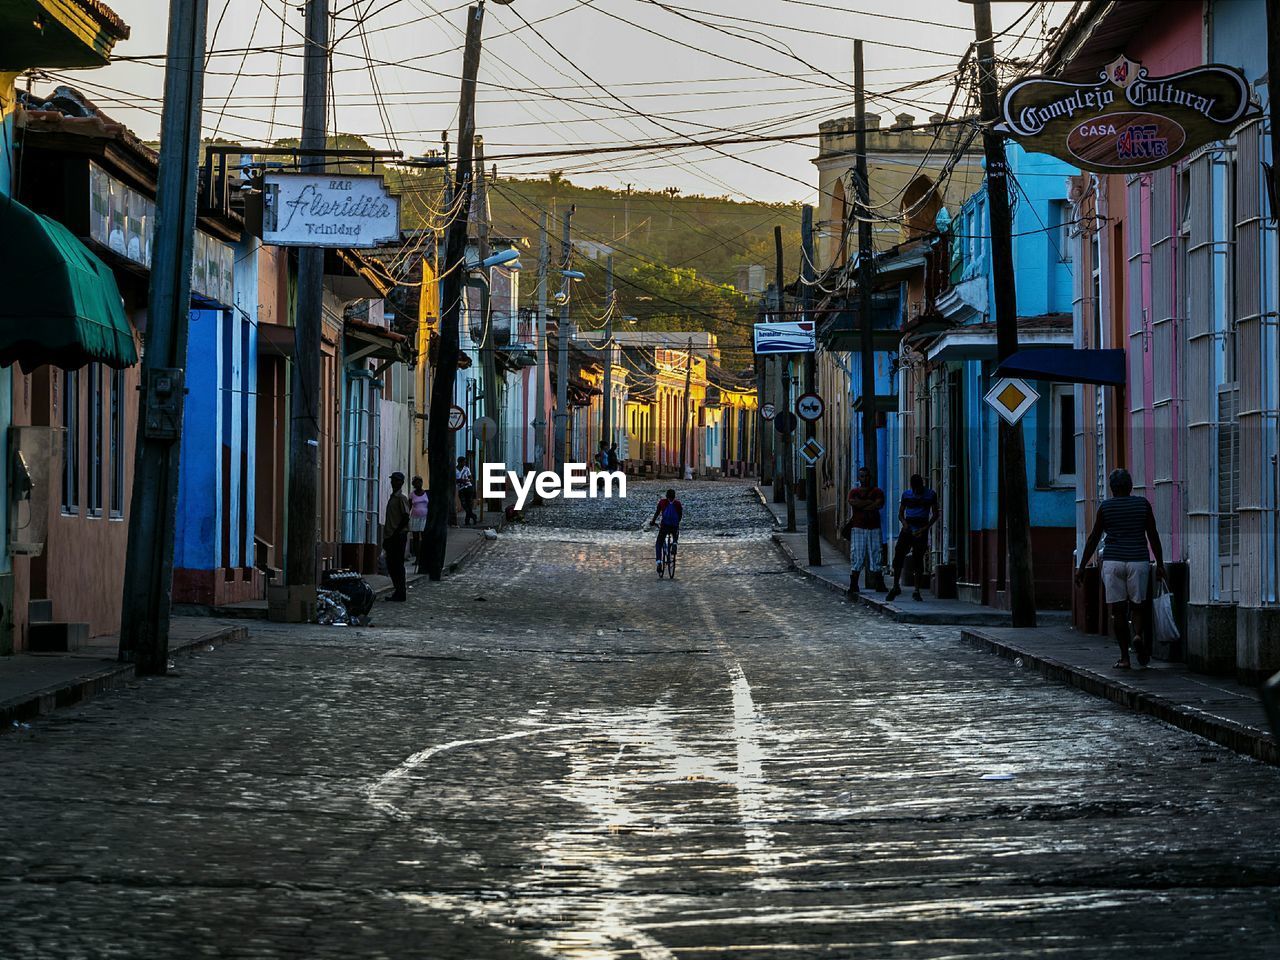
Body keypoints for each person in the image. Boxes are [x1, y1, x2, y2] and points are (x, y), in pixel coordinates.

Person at [1075, 468, 1167, 669]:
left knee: (1117, 611)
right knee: (1138, 606)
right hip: (1138, 561)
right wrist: (1160, 564)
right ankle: (1137, 635)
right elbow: (1153, 535)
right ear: (1130, 486)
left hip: (1113, 561)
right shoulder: (1142, 505)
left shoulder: (1106, 508)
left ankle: (1125, 658)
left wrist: (1081, 566)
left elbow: (1093, 538)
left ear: (1112, 489)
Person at [885, 474, 938, 603]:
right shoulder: (907, 495)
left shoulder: (930, 495)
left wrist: (924, 529)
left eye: (918, 489)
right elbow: (900, 513)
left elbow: (935, 514)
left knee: (918, 558)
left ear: (922, 485)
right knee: (898, 554)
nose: (916, 492)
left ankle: (916, 590)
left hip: (921, 528)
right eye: (914, 489)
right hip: (908, 528)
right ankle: (896, 585)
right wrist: (905, 524)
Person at [846, 467, 885, 597]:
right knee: (857, 554)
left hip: (874, 527)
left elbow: (878, 504)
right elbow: (853, 502)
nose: (864, 478)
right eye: (862, 476)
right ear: (859, 478)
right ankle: (854, 584)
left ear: (870, 477)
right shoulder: (854, 492)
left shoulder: (877, 491)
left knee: (876, 554)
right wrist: (869, 503)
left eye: (867, 476)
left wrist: (862, 505)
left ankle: (879, 583)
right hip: (858, 527)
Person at [383, 472, 411, 602]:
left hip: (398, 536)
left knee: (397, 565)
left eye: (397, 480)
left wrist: (396, 533)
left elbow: (405, 517)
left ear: (401, 482)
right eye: (393, 480)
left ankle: (401, 592)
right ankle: (398, 590)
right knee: (392, 565)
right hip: (391, 535)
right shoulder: (393, 497)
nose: (394, 482)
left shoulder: (401, 498)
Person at [649, 487, 683, 573]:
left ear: (666, 496)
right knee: (676, 533)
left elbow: (657, 512)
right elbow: (680, 515)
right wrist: (677, 523)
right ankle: (674, 543)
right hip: (674, 526)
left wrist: (653, 521)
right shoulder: (678, 504)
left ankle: (659, 562)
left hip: (664, 526)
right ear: (674, 497)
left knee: (659, 543)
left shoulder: (662, 502)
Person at [407, 476, 429, 557]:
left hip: (424, 518)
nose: (418, 484)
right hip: (414, 518)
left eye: (419, 482)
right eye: (416, 483)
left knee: (424, 538)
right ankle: (417, 557)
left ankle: (424, 556)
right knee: (415, 539)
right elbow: (409, 507)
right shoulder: (412, 495)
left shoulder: (426, 494)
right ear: (414, 484)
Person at [456, 456, 477, 526]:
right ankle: (473, 516)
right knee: (464, 505)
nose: (464, 463)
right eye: (463, 462)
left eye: (465, 462)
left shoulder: (466, 469)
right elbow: (454, 480)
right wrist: (461, 481)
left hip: (469, 488)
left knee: (469, 504)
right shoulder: (455, 470)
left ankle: (467, 521)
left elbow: (470, 478)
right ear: (459, 462)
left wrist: (467, 480)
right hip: (461, 489)